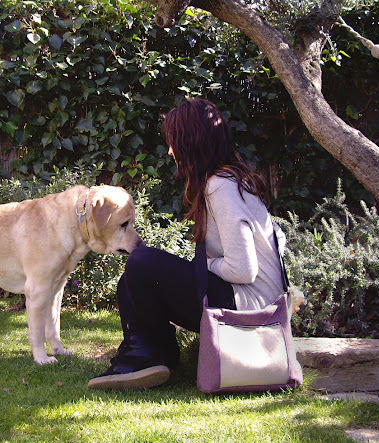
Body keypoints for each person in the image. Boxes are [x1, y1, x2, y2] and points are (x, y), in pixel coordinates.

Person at [87, 98, 286, 390]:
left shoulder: (221, 186)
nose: (169, 150)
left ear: (191, 141)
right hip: (241, 297)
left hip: (250, 308)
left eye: (173, 141)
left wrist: (202, 265)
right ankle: (153, 354)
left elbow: (244, 270)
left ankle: (147, 354)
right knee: (129, 279)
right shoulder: (224, 180)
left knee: (142, 263)